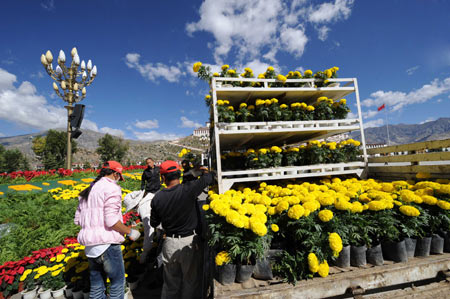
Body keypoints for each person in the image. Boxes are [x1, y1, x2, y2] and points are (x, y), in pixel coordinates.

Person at [74, 161, 141, 299]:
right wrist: (130, 232)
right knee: (117, 284)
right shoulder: (112, 188)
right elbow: (111, 221)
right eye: (118, 177)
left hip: (91, 248)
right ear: (116, 174)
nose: (118, 180)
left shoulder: (88, 190)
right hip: (108, 245)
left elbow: (78, 220)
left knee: (97, 287)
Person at [150, 160, 213, 299]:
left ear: (163, 178)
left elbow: (154, 222)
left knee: (171, 283)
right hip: (189, 244)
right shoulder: (188, 189)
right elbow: (208, 177)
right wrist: (200, 170)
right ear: (179, 175)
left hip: (170, 243)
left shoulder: (157, 198)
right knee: (190, 283)